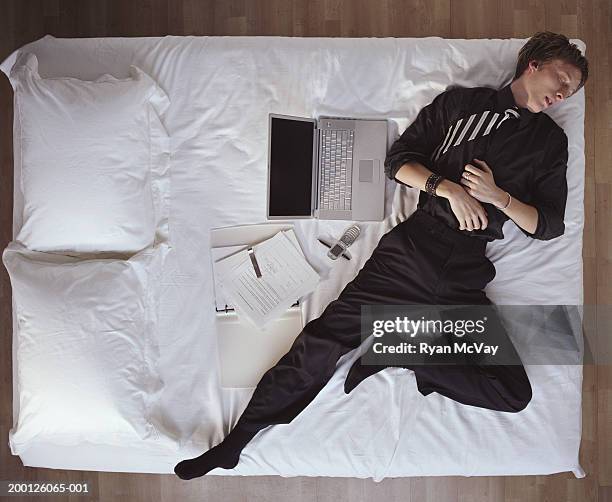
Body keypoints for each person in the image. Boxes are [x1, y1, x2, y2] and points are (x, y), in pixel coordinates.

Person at [174, 31, 589, 480]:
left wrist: (498, 196)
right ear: (533, 64)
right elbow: (399, 161)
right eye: (562, 77)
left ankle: (407, 353)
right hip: (410, 253)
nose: (563, 93)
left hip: (466, 273)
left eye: (572, 91)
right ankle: (235, 443)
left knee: (512, 393)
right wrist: (447, 189)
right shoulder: (460, 105)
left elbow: (548, 225)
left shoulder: (550, 143)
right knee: (323, 341)